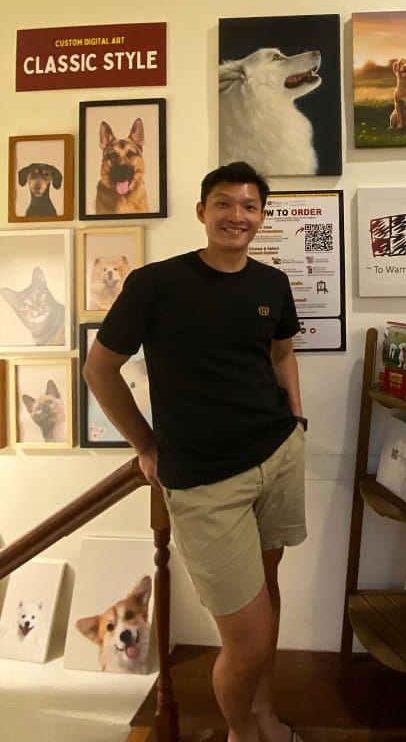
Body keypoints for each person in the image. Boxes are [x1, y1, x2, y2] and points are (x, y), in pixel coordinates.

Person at [84, 161, 307, 742]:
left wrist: (297, 421)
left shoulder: (271, 284)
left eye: (250, 206)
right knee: (247, 639)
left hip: (277, 458)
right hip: (204, 482)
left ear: (262, 216)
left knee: (268, 591)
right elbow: (99, 369)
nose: (237, 216)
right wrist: (145, 444)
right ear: (202, 211)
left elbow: (282, 355)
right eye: (225, 204)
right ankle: (241, 731)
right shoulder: (155, 285)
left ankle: (264, 713)